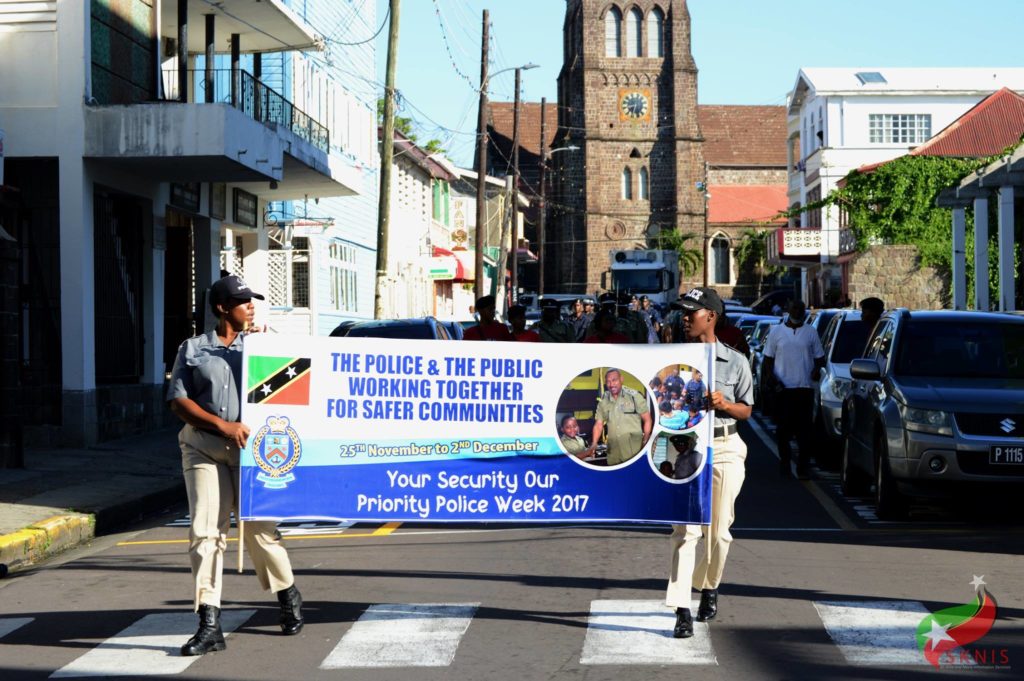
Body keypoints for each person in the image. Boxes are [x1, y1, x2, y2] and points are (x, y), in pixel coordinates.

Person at [167, 275, 303, 657]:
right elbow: (178, 401)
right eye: (243, 301)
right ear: (222, 308)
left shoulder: (262, 346)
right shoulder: (193, 349)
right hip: (204, 448)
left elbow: (299, 375)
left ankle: (287, 591)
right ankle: (209, 622)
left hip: (253, 453)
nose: (251, 306)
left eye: (252, 301)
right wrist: (221, 425)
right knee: (205, 533)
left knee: (259, 532)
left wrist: (269, 344)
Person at [666, 286, 753, 639]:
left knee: (718, 533)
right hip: (683, 449)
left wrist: (725, 404)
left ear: (711, 317)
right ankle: (681, 608)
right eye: (683, 313)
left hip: (725, 445)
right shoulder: (671, 361)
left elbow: (747, 409)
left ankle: (709, 585)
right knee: (684, 532)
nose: (684, 318)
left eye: (692, 313)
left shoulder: (736, 361)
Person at [762, 299, 825, 479]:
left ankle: (803, 468)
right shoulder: (777, 332)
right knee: (783, 431)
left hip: (804, 389)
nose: (798, 311)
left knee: (805, 432)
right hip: (784, 390)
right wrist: (773, 380)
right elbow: (768, 360)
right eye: (795, 307)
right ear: (788, 309)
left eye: (801, 308)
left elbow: (820, 358)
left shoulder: (811, 332)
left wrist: (814, 372)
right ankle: (785, 463)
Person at [587, 369, 652, 465]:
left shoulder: (634, 397)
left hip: (634, 453)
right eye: (608, 381)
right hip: (614, 454)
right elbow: (598, 424)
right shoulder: (604, 401)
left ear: (621, 379)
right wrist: (594, 443)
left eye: (614, 380)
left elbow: (647, 420)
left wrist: (645, 441)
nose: (611, 384)